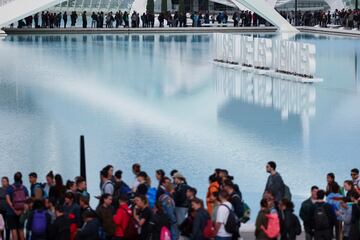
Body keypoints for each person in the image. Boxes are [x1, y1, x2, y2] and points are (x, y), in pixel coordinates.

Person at [6, 172, 29, 240]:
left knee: (13, 229)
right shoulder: (24, 188)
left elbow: (8, 200)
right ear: (21, 178)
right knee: (21, 229)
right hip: (21, 212)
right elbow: (27, 201)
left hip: (11, 213)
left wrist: (14, 210)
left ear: (14, 178)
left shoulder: (10, 188)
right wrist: (22, 211)